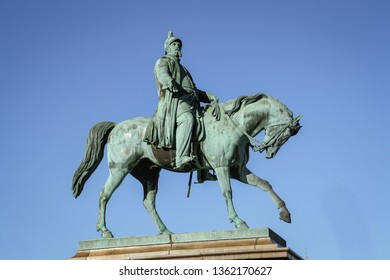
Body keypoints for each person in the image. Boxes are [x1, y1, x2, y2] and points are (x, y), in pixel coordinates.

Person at [144, 31, 218, 169]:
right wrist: (170, 82)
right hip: (175, 102)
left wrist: (209, 96)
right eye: (174, 44)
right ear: (168, 48)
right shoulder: (163, 61)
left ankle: (203, 167)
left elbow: (194, 90)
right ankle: (181, 157)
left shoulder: (184, 69)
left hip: (190, 101)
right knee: (187, 119)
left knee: (206, 123)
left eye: (179, 45)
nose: (177, 46)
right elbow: (162, 74)